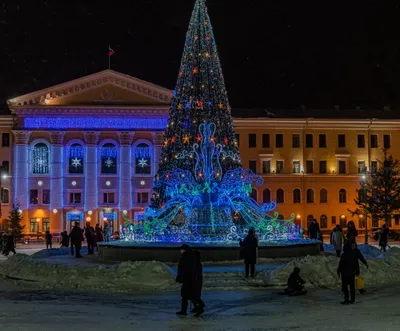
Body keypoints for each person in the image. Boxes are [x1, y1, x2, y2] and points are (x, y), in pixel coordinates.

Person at [176, 244, 199, 316]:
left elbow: (184, 269)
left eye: (181, 249)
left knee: (186, 295)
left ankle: (197, 308)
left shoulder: (186, 257)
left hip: (187, 279)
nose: (180, 251)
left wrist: (180, 278)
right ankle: (185, 310)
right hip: (188, 279)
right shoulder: (189, 257)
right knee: (186, 295)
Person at [192, 249, 205, 316]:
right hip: (197, 281)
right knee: (195, 295)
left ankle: (199, 307)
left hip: (196, 281)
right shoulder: (197, 263)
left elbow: (196, 273)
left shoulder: (196, 264)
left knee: (194, 296)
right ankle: (199, 306)